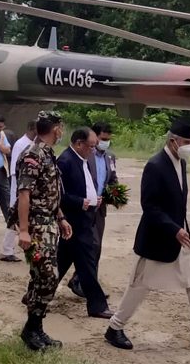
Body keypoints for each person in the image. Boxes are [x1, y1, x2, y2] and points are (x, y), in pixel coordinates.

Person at [104, 118, 190, 352]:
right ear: (173, 141)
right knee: (139, 286)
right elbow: (150, 206)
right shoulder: (155, 165)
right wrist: (174, 229)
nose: (189, 147)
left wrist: (181, 229)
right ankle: (115, 327)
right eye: (186, 142)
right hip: (158, 238)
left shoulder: (180, 163)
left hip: (181, 237)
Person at [11, 110, 72, 351]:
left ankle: (35, 328)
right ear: (56, 129)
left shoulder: (47, 153)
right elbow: (24, 194)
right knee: (48, 277)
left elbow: (48, 192)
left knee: (41, 277)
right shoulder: (33, 155)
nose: (62, 131)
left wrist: (61, 217)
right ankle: (31, 328)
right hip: (37, 226)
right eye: (61, 127)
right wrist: (24, 231)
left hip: (49, 223)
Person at [56, 127, 113, 318]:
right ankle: (97, 305)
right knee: (87, 263)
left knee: (62, 261)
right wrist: (80, 202)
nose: (94, 150)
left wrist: (95, 198)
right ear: (79, 143)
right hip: (74, 221)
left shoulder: (82, 160)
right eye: (91, 146)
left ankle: (36, 294)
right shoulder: (65, 161)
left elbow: (87, 184)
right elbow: (58, 194)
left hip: (85, 219)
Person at [70, 121, 118, 297]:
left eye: (108, 139)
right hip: (83, 207)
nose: (105, 142)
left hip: (99, 209)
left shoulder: (110, 157)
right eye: (102, 139)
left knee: (95, 247)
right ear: (94, 137)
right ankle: (84, 283)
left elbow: (112, 179)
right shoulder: (85, 155)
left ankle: (83, 282)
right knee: (86, 246)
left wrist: (114, 194)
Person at [2, 120, 36, 262]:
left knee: (18, 220)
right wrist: (19, 190)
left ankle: (8, 249)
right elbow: (16, 170)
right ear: (32, 129)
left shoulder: (32, 143)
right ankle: (7, 250)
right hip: (19, 186)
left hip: (26, 187)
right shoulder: (21, 144)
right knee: (15, 219)